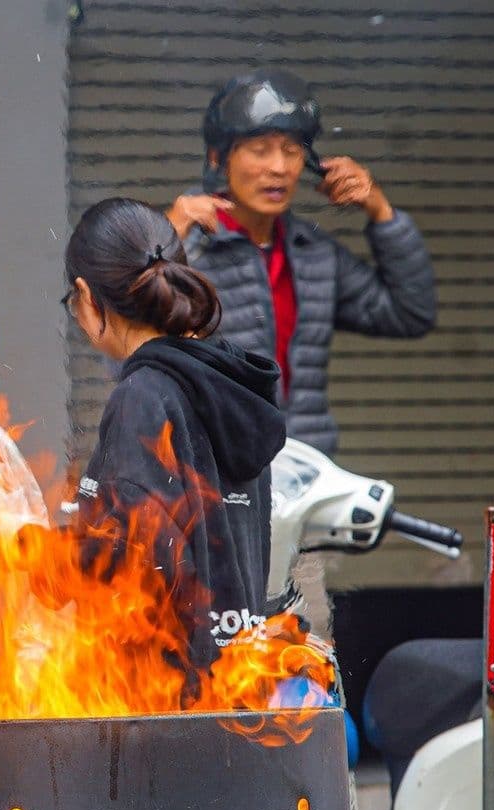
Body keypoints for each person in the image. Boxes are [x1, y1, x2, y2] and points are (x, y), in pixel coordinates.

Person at [65, 197, 287, 686]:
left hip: (162, 708)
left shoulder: (142, 398)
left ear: (86, 296)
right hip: (235, 688)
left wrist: (26, 549)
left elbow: (129, 562)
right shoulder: (227, 385)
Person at [166, 67, 437, 457]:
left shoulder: (314, 253)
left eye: (292, 150)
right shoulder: (187, 248)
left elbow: (409, 313)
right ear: (218, 158)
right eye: (259, 150)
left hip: (307, 472)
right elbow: (126, 346)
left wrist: (380, 210)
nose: (278, 167)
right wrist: (162, 244)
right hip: (217, 475)